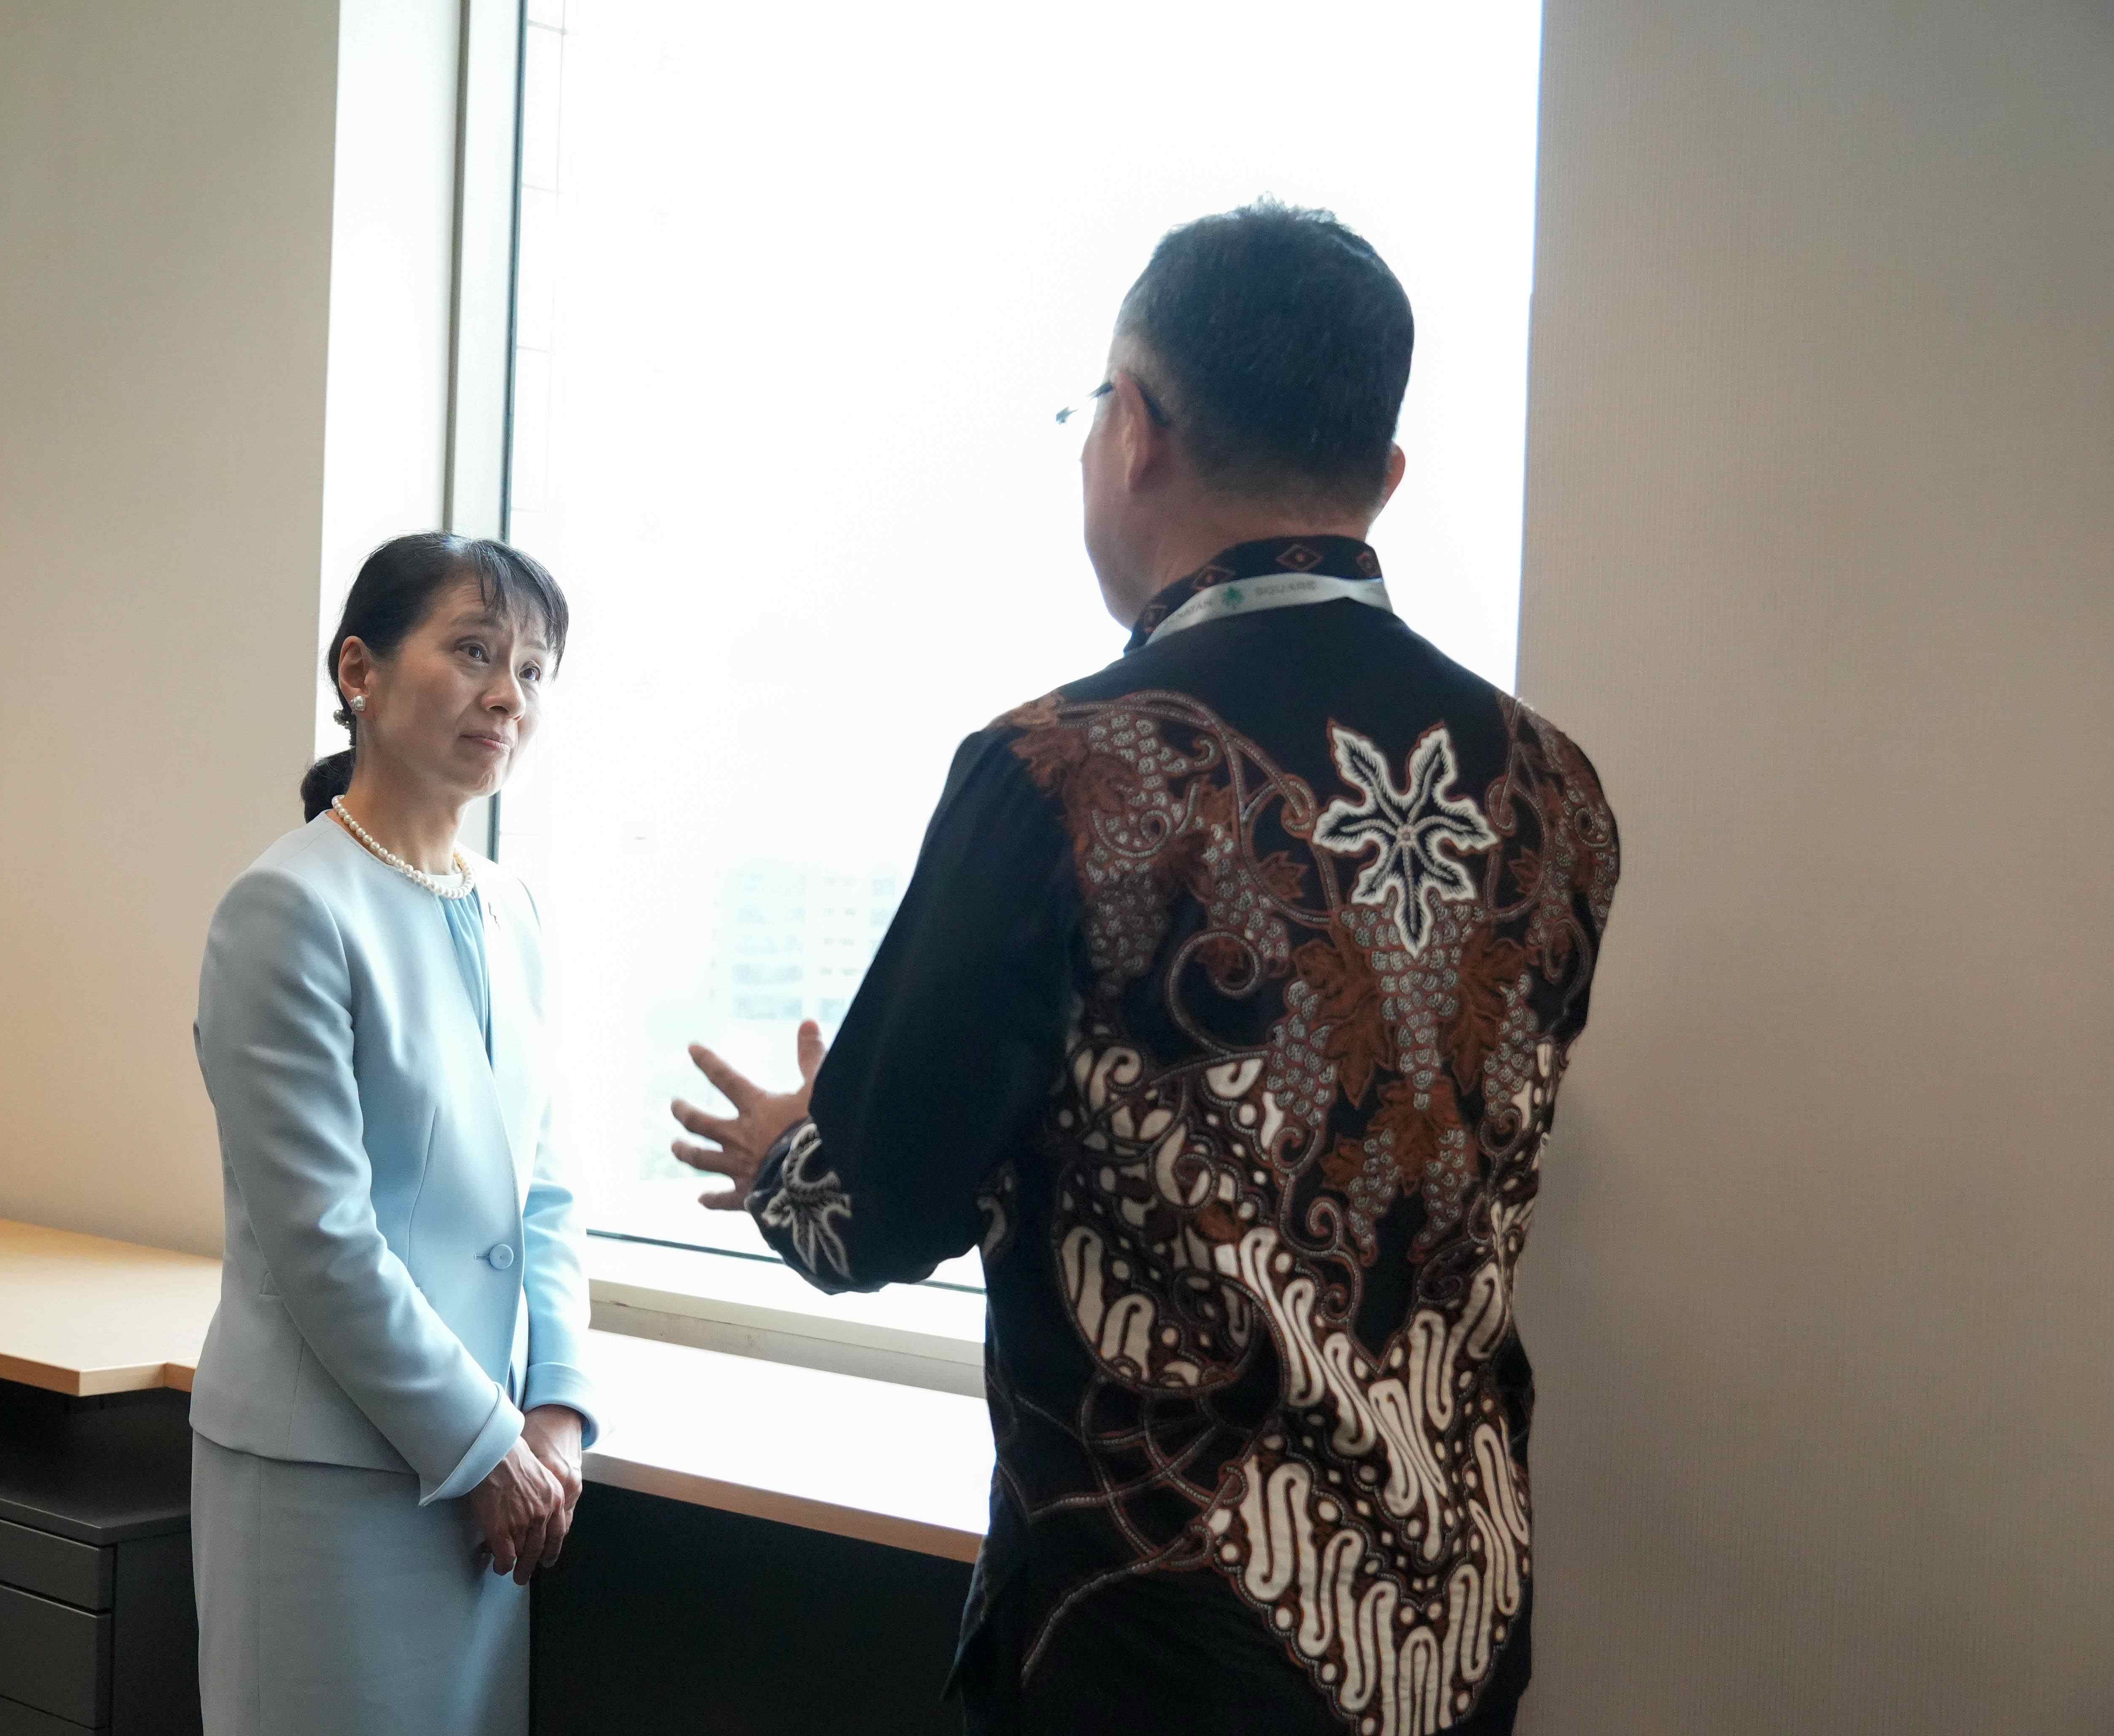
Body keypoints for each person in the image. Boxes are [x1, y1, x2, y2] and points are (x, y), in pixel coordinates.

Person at [671, 202, 1620, 1735]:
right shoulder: (1556, 791)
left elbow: (863, 1217)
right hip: (1455, 1635)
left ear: (1130, 430)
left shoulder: (1069, 773)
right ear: (1383, 476)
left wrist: (795, 1149)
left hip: (1155, 1640)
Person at [190, 533, 600, 1736]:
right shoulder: (287, 907)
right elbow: (324, 1240)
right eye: (473, 651)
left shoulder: (513, 908)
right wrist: (486, 1448)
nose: (507, 695)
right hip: (331, 1475)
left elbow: (547, 1189)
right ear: (358, 672)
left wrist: (557, 1411)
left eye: (533, 668)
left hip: (496, 1480)